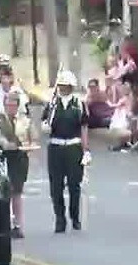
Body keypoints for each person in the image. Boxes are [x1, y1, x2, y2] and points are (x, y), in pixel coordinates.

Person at [41, 69, 90, 233]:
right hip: (56, 147)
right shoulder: (52, 104)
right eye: (61, 85)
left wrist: (86, 150)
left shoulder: (79, 104)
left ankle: (75, 217)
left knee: (74, 185)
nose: (63, 88)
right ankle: (60, 219)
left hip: (73, 147)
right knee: (56, 186)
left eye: (66, 85)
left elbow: (83, 128)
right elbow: (44, 123)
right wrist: (45, 126)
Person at [0, 92, 38, 239]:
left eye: (13, 104)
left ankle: (18, 225)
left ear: (18, 106)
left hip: (20, 159)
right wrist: (3, 143)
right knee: (5, 193)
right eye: (8, 105)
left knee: (17, 193)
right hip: (4, 159)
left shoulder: (25, 121)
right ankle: (4, 224)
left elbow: (34, 138)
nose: (11, 107)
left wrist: (29, 145)